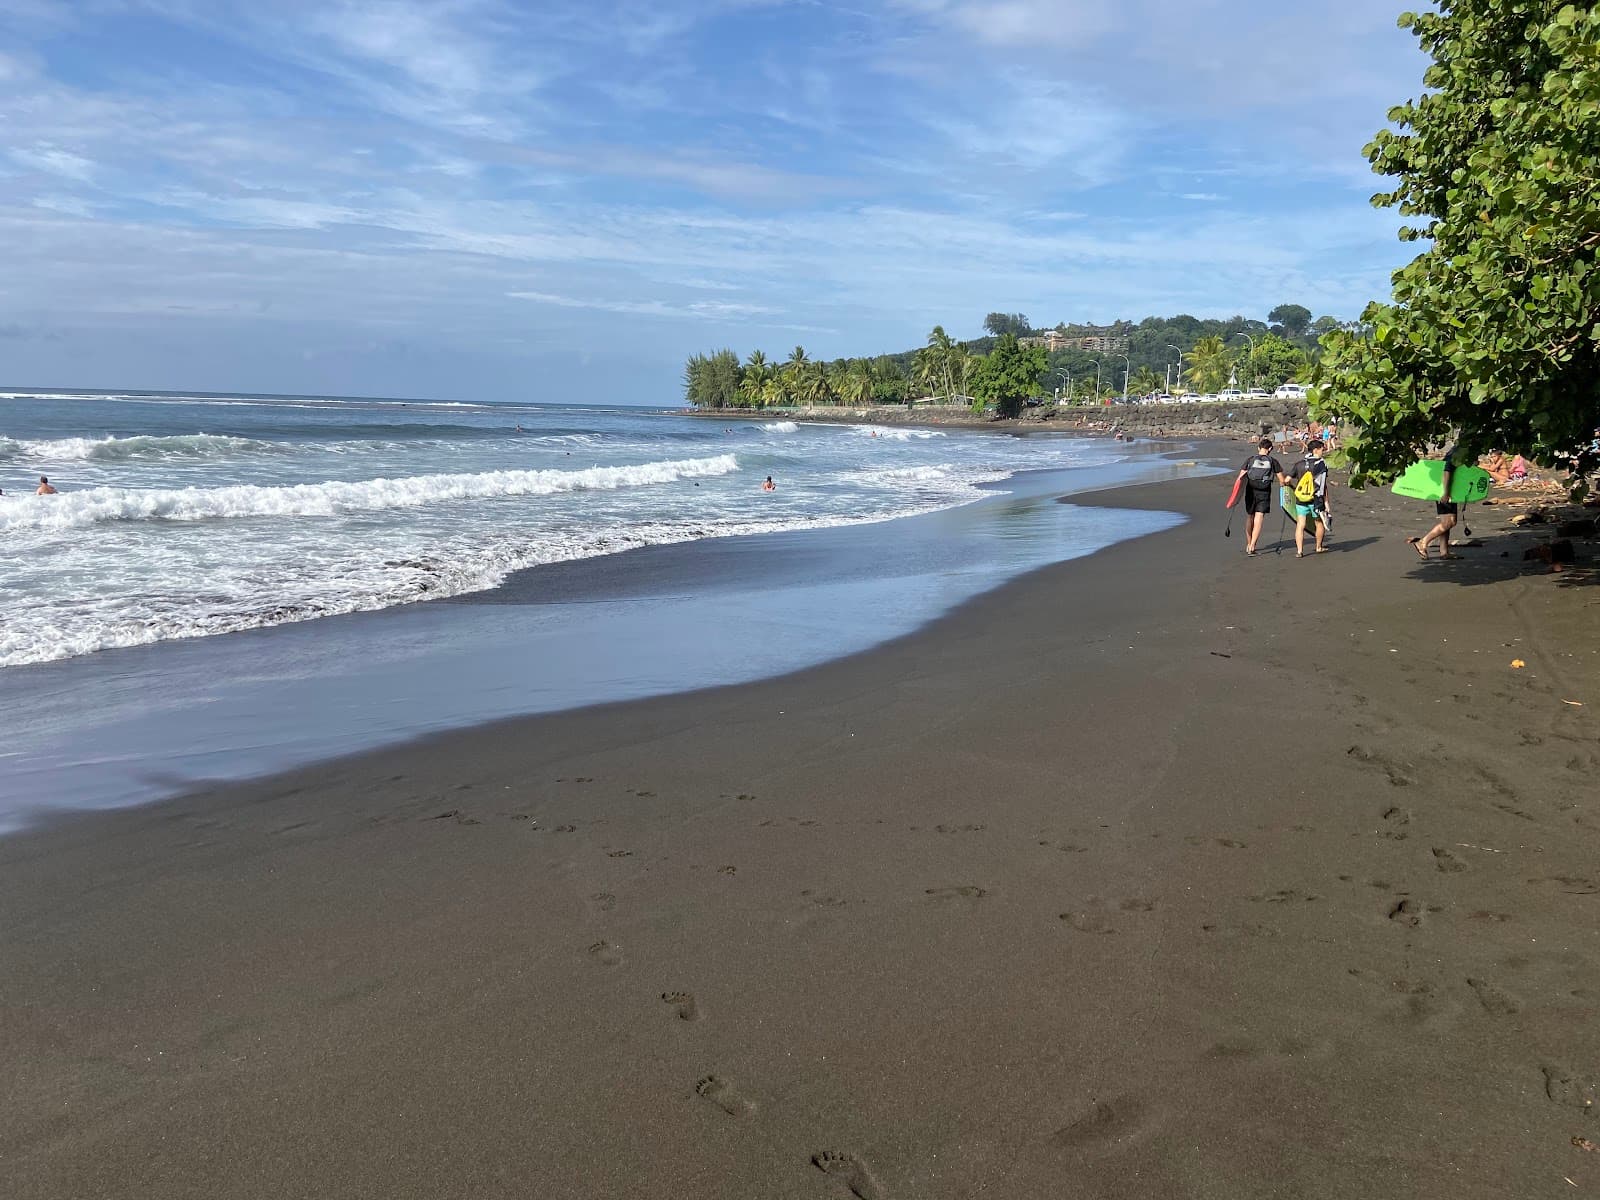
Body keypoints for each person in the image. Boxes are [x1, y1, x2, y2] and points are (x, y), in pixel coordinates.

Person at [1234, 436, 1290, 556]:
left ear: (1259, 448)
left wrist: (1235, 497)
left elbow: (1241, 478)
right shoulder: (1273, 461)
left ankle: (1248, 544)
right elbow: (1282, 480)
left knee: (1250, 516)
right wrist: (1286, 487)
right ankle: (1253, 545)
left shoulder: (1250, 459)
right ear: (1270, 449)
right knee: (1259, 517)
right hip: (1264, 491)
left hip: (1250, 489)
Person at [1412, 443, 1461, 559]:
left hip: (1444, 489)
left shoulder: (1455, 451)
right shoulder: (1457, 453)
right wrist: (1445, 492)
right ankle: (1423, 542)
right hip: (1444, 490)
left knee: (1446, 521)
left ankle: (1444, 552)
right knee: (1450, 522)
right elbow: (1446, 471)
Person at [1289, 440, 1331, 557]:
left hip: (1301, 499)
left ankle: (1299, 551)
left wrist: (1293, 489)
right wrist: (1326, 502)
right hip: (1316, 499)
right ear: (1316, 450)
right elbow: (1323, 484)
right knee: (1319, 522)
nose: (1323, 451)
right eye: (1322, 449)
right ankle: (1318, 547)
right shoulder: (1321, 464)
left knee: (1300, 524)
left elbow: (1286, 480)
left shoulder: (1299, 464)